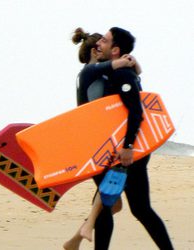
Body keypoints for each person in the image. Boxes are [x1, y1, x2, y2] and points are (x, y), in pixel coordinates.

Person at [73, 27, 174, 250]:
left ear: (115, 49)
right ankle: (80, 236)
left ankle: (81, 236)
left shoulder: (121, 75)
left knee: (130, 207)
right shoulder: (101, 73)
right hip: (110, 150)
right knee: (129, 207)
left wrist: (128, 146)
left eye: (105, 41)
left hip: (127, 153)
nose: (100, 44)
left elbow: (136, 112)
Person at [63, 28, 142, 250]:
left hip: (100, 142)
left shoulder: (98, 74)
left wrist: (134, 66)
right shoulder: (88, 72)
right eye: (99, 47)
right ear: (94, 53)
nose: (102, 50)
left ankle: (76, 239)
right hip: (93, 144)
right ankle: (81, 235)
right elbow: (114, 65)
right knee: (109, 203)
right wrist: (128, 61)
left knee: (113, 203)